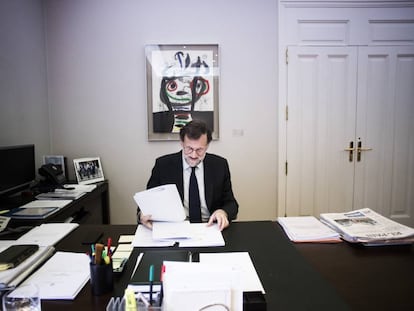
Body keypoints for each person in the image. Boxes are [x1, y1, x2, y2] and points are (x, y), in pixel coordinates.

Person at [138, 120, 238, 231]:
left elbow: (231, 203)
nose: (194, 155)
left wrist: (223, 212)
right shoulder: (163, 165)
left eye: (200, 150)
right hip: (174, 228)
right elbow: (146, 203)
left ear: (207, 146)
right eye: (189, 148)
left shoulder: (219, 165)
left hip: (209, 227)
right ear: (181, 143)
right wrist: (141, 214)